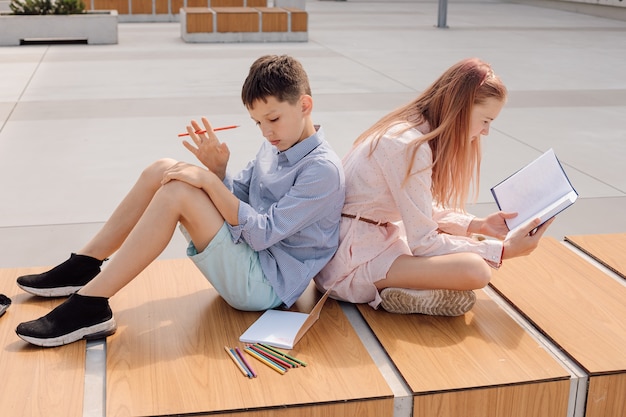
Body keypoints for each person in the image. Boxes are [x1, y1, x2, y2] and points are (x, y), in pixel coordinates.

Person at [15, 54, 345, 347]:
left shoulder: (322, 170)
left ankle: (90, 305)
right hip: (250, 256)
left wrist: (208, 182)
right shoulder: (277, 144)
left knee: (178, 191)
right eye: (257, 123)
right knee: (162, 169)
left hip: (265, 286)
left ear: (304, 105)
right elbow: (240, 198)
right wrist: (218, 172)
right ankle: (84, 266)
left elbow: (262, 233)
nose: (265, 132)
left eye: (272, 119)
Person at [315, 57, 553, 317]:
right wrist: (504, 250)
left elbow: (418, 206)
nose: (486, 132)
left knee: (463, 244)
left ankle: (409, 288)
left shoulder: (409, 129)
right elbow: (424, 243)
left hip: (365, 242)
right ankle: (397, 286)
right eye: (486, 120)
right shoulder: (408, 146)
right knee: (477, 269)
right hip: (349, 263)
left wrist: (477, 225)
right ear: (461, 108)